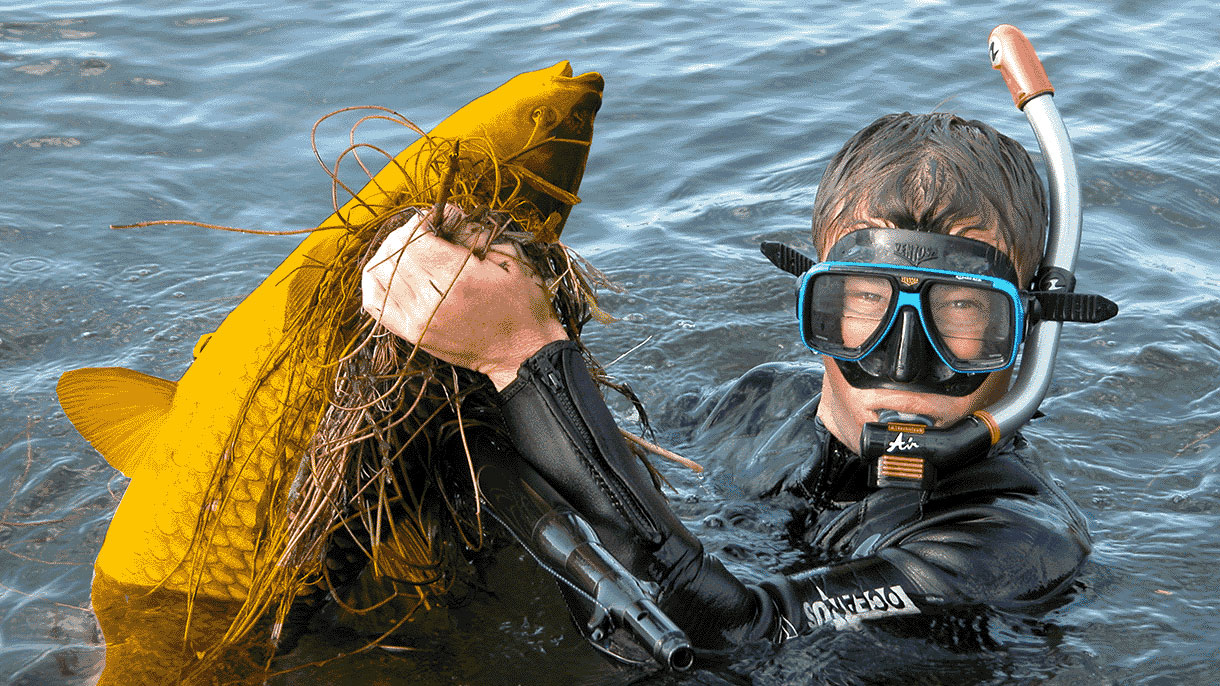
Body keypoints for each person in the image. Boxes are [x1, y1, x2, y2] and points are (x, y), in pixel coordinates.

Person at [360, 112, 1096, 656]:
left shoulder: (1019, 541)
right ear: (810, 299)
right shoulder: (760, 406)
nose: (905, 356)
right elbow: (623, 449)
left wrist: (526, 358)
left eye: (963, 311)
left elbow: (744, 631)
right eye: (865, 302)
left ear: (1027, 331)